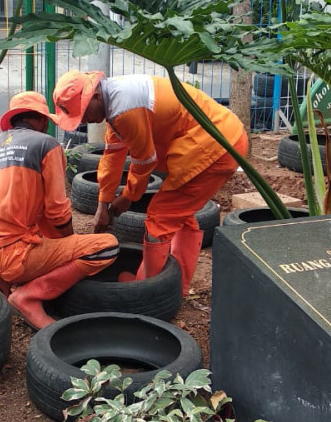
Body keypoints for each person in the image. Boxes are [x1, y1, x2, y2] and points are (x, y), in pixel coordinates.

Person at [52, 70, 249, 295]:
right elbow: (112, 156)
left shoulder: (125, 110)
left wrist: (128, 196)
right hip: (215, 141)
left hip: (214, 146)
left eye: (83, 112)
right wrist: (102, 205)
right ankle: (177, 286)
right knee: (179, 216)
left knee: (160, 219)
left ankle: (148, 289)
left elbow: (144, 160)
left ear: (96, 95)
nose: (83, 121)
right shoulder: (114, 102)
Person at [0, 90, 119, 329]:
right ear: (43, 119)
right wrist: (71, 245)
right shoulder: (46, 144)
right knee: (106, 246)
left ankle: (2, 279)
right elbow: (56, 211)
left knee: (46, 237)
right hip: (18, 256)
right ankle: (27, 297)